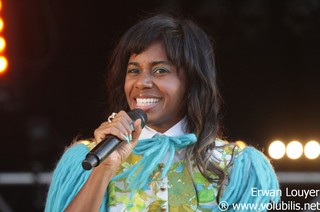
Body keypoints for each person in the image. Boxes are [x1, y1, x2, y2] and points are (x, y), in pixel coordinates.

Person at [45, 14, 280, 211]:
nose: (142, 82)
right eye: (133, 70)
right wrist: (105, 169)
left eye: (160, 70)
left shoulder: (236, 167)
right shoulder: (87, 159)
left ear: (192, 81)